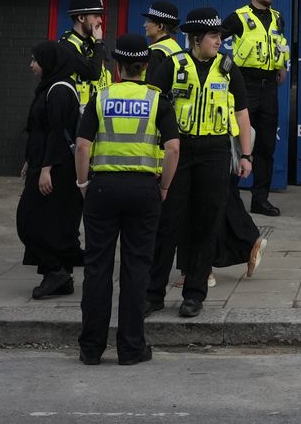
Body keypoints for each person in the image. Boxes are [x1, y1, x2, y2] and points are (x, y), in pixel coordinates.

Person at [75, 34, 181, 366]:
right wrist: (164, 187)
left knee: (97, 268)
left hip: (103, 188)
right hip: (143, 190)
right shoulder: (157, 100)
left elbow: (81, 145)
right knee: (137, 269)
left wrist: (82, 183)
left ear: (117, 66)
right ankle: (131, 348)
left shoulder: (101, 97)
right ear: (146, 67)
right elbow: (174, 148)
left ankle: (92, 348)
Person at [147, 8, 255, 318]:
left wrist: (245, 155)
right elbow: (153, 108)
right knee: (168, 223)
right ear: (196, 38)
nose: (219, 41)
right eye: (213, 36)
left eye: (221, 36)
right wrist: (156, 159)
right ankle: (152, 294)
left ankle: (194, 294)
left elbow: (242, 112)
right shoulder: (173, 65)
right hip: (180, 152)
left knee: (206, 223)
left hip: (215, 152)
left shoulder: (228, 67)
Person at [20, 41, 85, 300]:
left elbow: (57, 132)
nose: (32, 65)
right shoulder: (51, 88)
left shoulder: (58, 91)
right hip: (44, 164)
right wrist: (30, 160)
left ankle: (56, 271)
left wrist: (46, 168)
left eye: (35, 60)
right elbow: (41, 130)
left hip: (56, 169)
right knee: (51, 223)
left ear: (48, 62)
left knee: (28, 221)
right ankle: (60, 275)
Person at [226, 0, 288, 216]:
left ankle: (260, 199)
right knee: (237, 141)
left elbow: (279, 45)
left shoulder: (277, 17)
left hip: (269, 86)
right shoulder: (237, 17)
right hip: (245, 84)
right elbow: (214, 39)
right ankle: (229, 194)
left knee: (266, 144)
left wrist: (281, 66)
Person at [60, 0, 109, 106]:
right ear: (81, 18)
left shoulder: (93, 40)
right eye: (96, 15)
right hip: (78, 114)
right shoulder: (67, 46)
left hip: (98, 109)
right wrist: (98, 42)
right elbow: (93, 73)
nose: (100, 21)